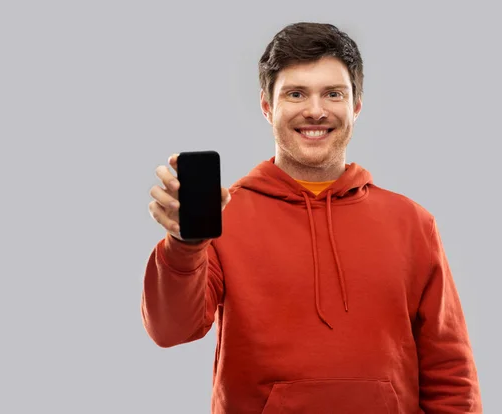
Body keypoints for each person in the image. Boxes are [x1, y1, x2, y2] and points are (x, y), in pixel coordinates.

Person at [142, 22, 482, 414]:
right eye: (296, 93)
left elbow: (450, 369)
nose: (316, 111)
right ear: (268, 107)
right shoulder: (224, 216)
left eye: (333, 93)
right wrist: (184, 246)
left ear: (356, 106)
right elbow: (171, 331)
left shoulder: (412, 222)